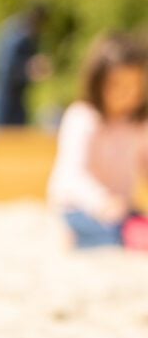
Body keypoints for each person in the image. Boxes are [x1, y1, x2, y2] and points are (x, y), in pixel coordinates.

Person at [47, 33, 148, 250]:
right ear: (98, 83)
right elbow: (74, 174)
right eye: (117, 87)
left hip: (121, 210)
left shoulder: (138, 124)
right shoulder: (82, 117)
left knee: (136, 226)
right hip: (77, 207)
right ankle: (74, 237)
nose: (127, 95)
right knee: (117, 234)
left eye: (134, 87)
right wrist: (102, 203)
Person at [0, 3, 52, 127]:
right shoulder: (18, 36)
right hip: (4, 96)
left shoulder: (20, 30)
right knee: (4, 137)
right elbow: (5, 69)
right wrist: (32, 69)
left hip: (18, 96)